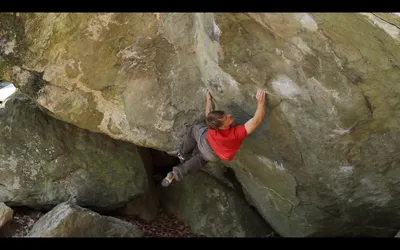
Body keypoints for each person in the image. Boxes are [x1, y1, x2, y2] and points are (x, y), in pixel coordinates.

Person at [161, 88, 266, 187]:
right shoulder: (236, 133)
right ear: (222, 127)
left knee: (194, 130)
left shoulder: (213, 127)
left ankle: (182, 154)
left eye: (226, 115)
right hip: (214, 155)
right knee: (201, 159)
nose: (229, 115)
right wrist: (260, 104)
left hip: (205, 141)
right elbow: (256, 121)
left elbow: (208, 114)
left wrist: (208, 99)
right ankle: (178, 173)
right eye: (226, 118)